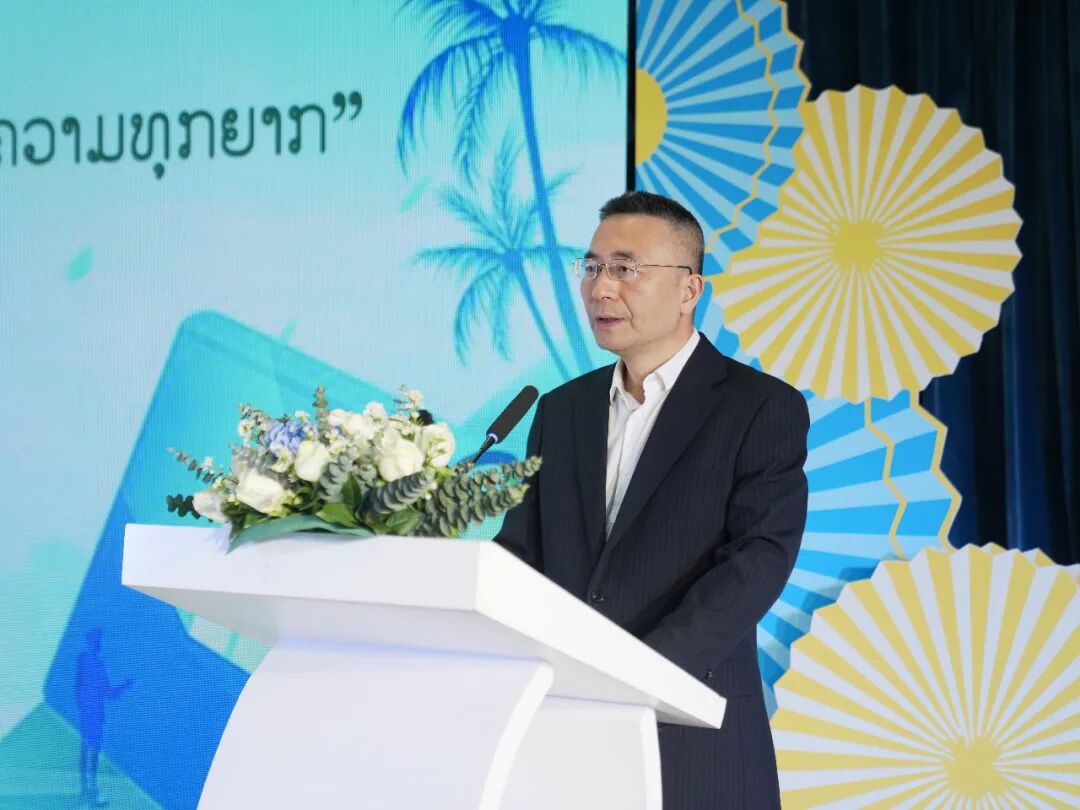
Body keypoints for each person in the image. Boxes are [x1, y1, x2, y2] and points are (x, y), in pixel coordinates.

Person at [494, 190, 809, 809]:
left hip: (692, 734)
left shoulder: (759, 407)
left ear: (690, 290)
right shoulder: (562, 410)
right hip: (561, 736)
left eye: (625, 268)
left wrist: (632, 677)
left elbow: (757, 562)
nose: (600, 288)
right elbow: (521, 555)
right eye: (591, 267)